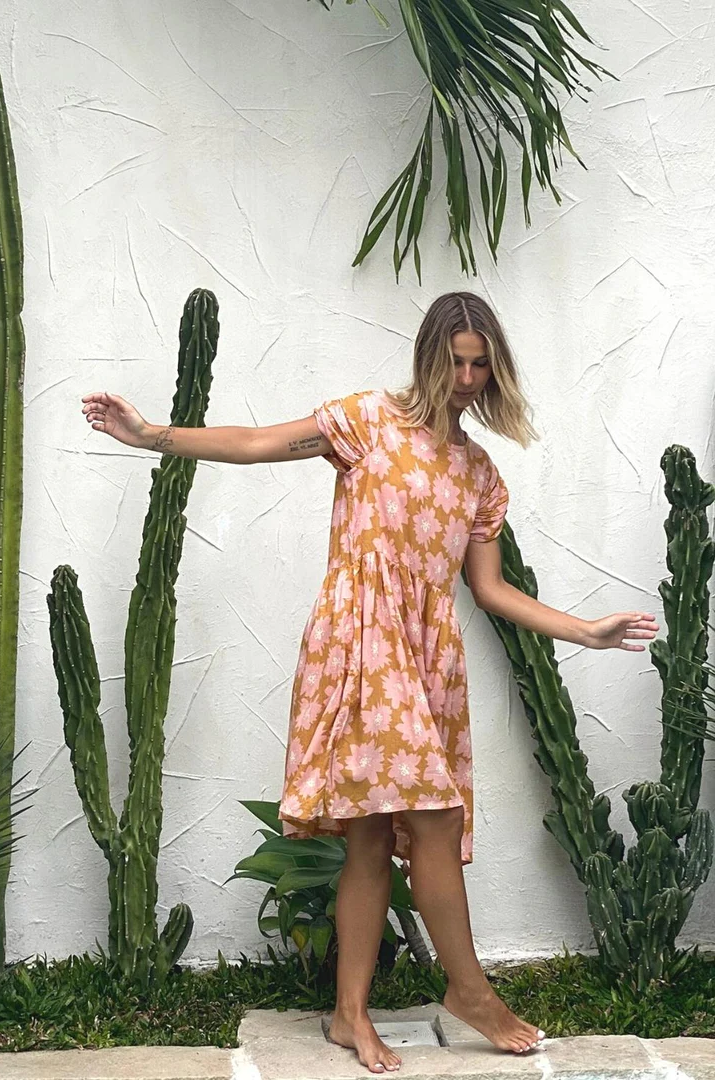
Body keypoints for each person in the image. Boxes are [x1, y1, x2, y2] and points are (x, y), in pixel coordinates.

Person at [82, 291, 658, 1075]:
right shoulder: (368, 422)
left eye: (480, 365)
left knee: (371, 837)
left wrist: (584, 629)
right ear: (428, 357)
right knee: (433, 819)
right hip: (361, 643)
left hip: (427, 658)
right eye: (455, 361)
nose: (466, 378)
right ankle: (469, 991)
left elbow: (489, 589)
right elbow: (258, 441)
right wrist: (153, 434)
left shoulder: (479, 474)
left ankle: (349, 1015)